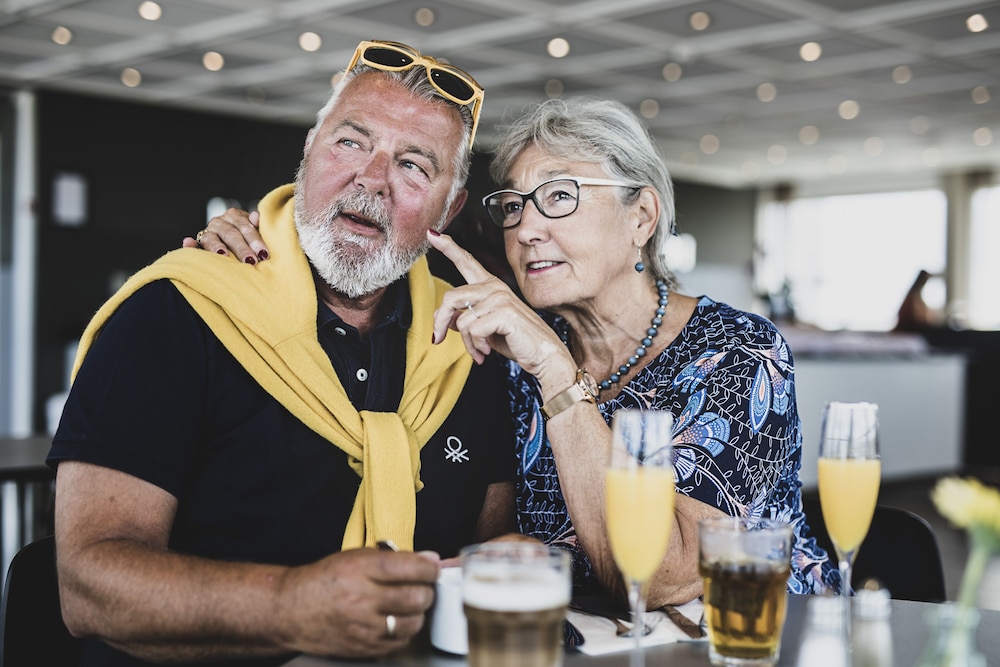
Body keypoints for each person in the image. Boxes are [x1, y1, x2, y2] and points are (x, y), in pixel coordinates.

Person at [199, 96, 841, 605]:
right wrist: (265, 250)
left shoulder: (737, 353)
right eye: (513, 205)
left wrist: (557, 373)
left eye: (560, 196)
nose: (527, 229)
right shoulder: (505, 348)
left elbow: (659, 578)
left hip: (755, 643)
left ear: (641, 217)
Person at [47, 40, 516, 666]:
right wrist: (292, 606)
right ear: (309, 151)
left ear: (448, 208)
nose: (372, 179)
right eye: (351, 142)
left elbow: (493, 546)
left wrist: (511, 560)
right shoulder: (177, 311)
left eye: (413, 165)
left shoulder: (467, 344)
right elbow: (87, 585)